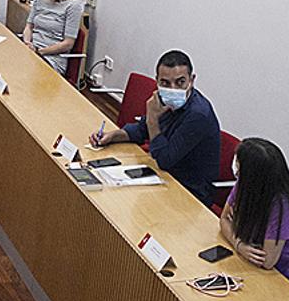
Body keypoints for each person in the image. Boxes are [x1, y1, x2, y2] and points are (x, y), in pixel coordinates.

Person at [89, 50, 221, 203]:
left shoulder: (198, 115)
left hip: (189, 192)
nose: (173, 89)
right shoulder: (162, 99)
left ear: (191, 80)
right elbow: (140, 130)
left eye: (180, 82)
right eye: (165, 83)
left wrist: (152, 119)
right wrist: (111, 136)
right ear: (157, 81)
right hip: (163, 175)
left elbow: (165, 159)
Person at [218, 138, 289, 297]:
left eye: (239, 164)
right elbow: (223, 220)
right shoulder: (247, 184)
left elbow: (267, 261)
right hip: (256, 264)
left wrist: (237, 238)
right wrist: (239, 245)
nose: (235, 168)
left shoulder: (282, 206)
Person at [22, 0, 84, 76]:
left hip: (51, 59)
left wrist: (40, 51)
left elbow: (68, 44)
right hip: (31, 50)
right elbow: (29, 26)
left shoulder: (73, 6)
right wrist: (27, 42)